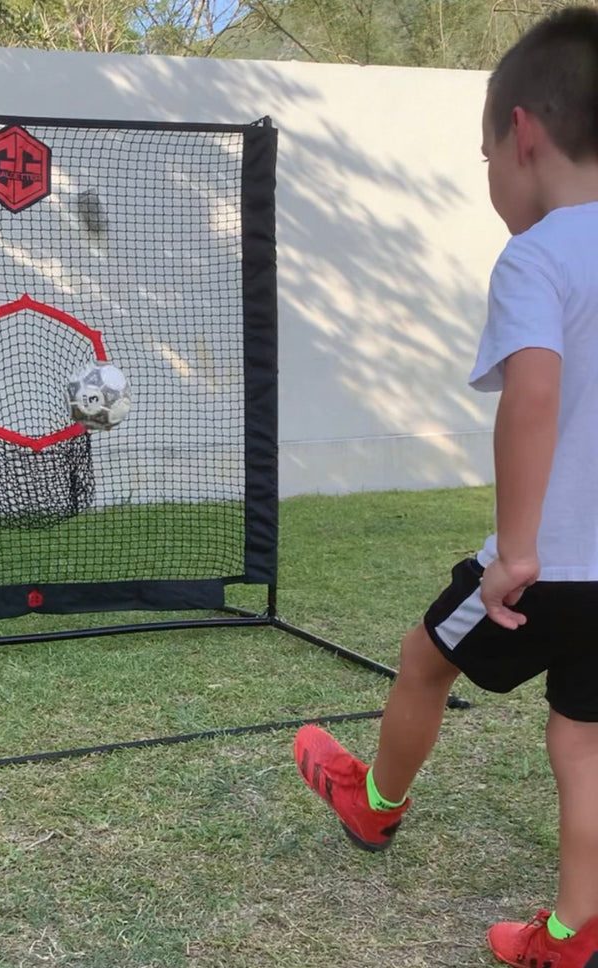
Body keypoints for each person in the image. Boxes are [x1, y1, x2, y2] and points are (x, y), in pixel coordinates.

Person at [293, 8, 598, 968]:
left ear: (523, 135)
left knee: (425, 657)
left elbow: (535, 394)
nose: (494, 184)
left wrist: (513, 554)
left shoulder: (539, 255)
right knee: (584, 747)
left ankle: (373, 804)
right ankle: (575, 933)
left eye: (484, 160)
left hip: (548, 566)